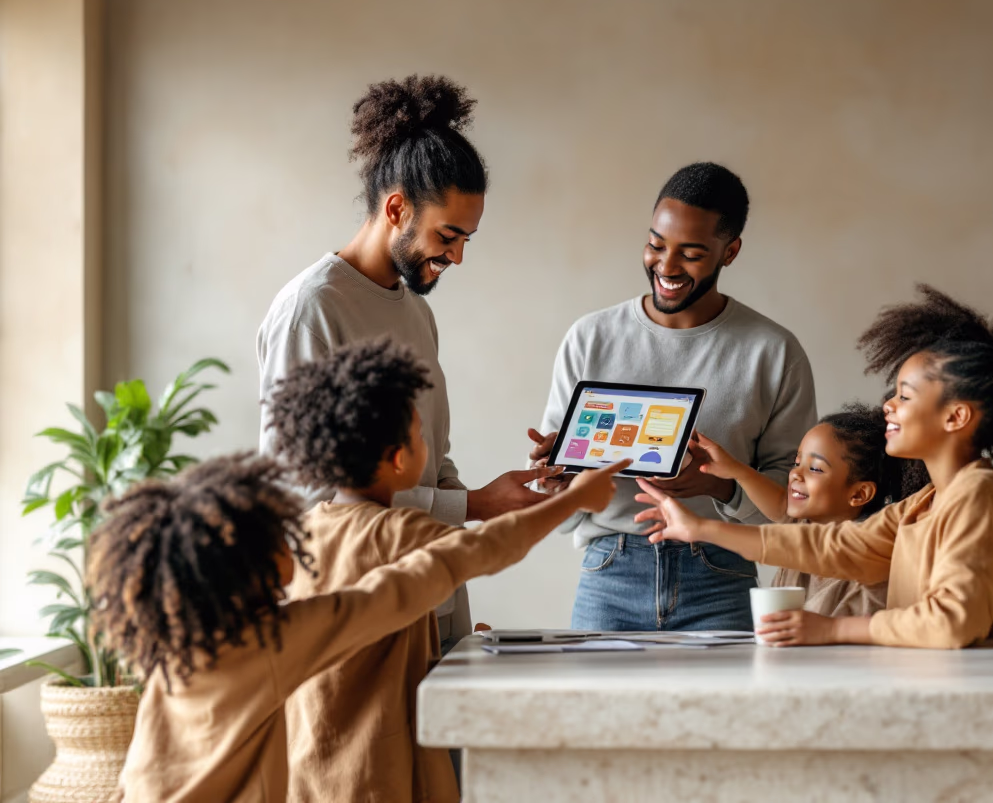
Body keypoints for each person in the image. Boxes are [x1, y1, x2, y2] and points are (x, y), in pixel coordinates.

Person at [89, 452, 625, 802]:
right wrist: (573, 500)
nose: (293, 540)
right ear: (244, 565)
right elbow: (444, 565)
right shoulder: (274, 643)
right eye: (275, 534)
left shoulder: (177, 648)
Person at [635, 284, 993, 649]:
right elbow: (836, 546)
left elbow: (950, 623)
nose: (888, 407)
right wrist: (698, 528)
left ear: (955, 417)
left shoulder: (980, 495)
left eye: (904, 395)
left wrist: (832, 630)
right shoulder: (926, 502)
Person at [257, 75, 549, 649]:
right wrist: (475, 505)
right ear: (396, 208)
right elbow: (302, 494)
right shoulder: (310, 310)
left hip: (432, 600)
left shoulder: (416, 310)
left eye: (468, 238)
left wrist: (490, 504)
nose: (458, 256)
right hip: (357, 616)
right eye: (448, 235)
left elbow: (429, 459)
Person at [264, 338, 564, 802]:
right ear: (401, 458)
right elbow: (490, 547)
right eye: (421, 434)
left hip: (309, 758)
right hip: (377, 769)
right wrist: (580, 499)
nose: (428, 446)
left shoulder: (304, 531)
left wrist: (464, 653)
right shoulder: (399, 531)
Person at [530, 162, 817, 631]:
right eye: (656, 244)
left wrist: (717, 486)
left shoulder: (774, 352)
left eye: (691, 253)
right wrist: (556, 480)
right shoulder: (590, 337)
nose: (665, 266)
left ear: (731, 252)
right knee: (596, 709)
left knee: (728, 708)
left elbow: (794, 498)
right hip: (611, 572)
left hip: (722, 574)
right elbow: (559, 493)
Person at [692, 403, 927, 641]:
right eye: (796, 462)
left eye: (815, 468)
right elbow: (779, 503)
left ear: (858, 494)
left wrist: (699, 528)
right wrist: (735, 470)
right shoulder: (803, 525)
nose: (795, 473)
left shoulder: (871, 557)